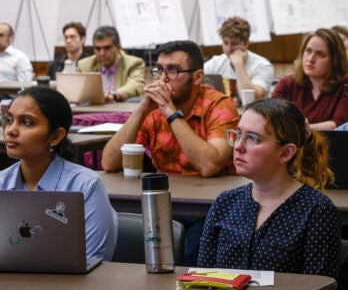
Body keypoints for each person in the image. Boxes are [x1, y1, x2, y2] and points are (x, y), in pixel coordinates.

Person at [102, 40, 239, 266]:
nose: (162, 79)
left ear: (197, 77)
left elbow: (209, 165)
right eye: (159, 70)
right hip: (163, 203)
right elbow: (109, 162)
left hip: (210, 209)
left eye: (173, 70)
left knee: (190, 258)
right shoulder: (152, 108)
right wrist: (141, 108)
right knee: (122, 244)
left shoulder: (219, 105)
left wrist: (170, 112)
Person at [197, 98, 341, 278]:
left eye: (252, 138)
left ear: (286, 153)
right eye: (238, 134)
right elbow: (203, 277)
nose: (238, 147)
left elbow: (319, 285)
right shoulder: (225, 202)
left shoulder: (317, 211)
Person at [0, 86, 117, 261]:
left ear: (56, 136)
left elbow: (95, 259)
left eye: (26, 122)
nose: (10, 130)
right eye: (9, 120)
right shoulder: (2, 182)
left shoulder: (85, 186)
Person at [272, 28, 348, 130]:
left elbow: (339, 124)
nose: (311, 59)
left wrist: (300, 129)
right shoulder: (287, 83)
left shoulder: (344, 85)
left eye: (320, 54)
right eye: (308, 51)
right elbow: (272, 118)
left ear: (334, 60)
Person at [204, 16, 274, 100]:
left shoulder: (262, 66)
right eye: (225, 43)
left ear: (246, 44)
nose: (229, 49)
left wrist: (238, 65)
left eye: (234, 44)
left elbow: (251, 99)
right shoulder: (214, 64)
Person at [77, 25, 145, 102]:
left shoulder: (133, 63)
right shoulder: (84, 65)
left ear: (118, 48)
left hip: (121, 110)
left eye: (107, 48)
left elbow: (135, 86)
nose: (102, 53)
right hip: (93, 111)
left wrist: (114, 95)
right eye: (98, 49)